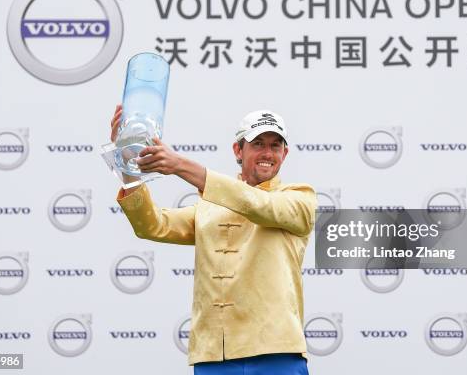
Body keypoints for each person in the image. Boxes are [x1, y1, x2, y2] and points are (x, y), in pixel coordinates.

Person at [111, 107, 317, 375]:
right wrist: (128, 163)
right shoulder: (208, 205)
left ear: (284, 154)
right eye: (258, 144)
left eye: (275, 146)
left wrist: (180, 165)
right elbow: (152, 225)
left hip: (276, 353)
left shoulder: (300, 198)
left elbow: (256, 203)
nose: (268, 153)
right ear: (237, 150)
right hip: (212, 356)